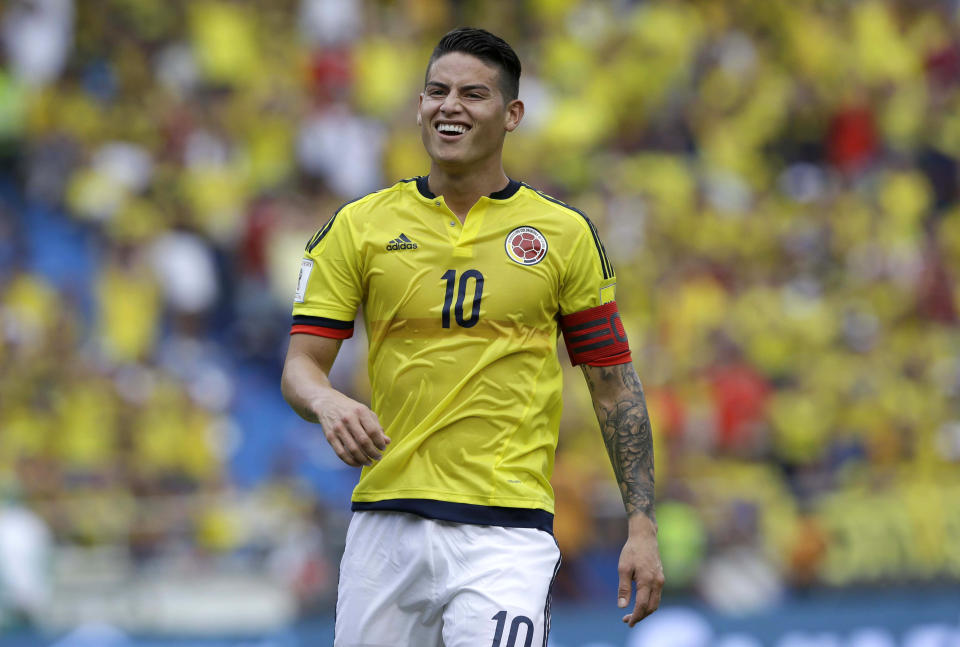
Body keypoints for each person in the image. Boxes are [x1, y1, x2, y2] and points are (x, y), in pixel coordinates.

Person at [281, 27, 663, 646]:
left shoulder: (561, 236)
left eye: (472, 93)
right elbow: (300, 366)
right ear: (419, 106)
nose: (449, 105)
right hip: (386, 522)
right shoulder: (359, 227)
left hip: (506, 533)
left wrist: (642, 527)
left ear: (512, 114)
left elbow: (614, 388)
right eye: (436, 91)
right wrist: (326, 400)